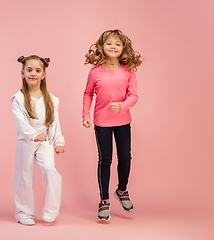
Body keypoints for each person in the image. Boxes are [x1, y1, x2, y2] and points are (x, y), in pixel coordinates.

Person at [82, 29, 143, 221]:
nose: (113, 47)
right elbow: (87, 93)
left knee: (125, 158)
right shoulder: (95, 72)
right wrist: (86, 114)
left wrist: (123, 106)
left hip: (123, 122)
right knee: (105, 160)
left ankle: (122, 190)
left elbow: (134, 95)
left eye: (117, 44)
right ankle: (104, 200)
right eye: (109, 43)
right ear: (102, 47)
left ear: (123, 48)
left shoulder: (128, 71)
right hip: (102, 123)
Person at [12, 55, 65, 225]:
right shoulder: (18, 99)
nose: (33, 73)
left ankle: (51, 210)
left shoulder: (51, 99)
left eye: (37, 70)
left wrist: (58, 141)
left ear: (43, 74)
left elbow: (55, 123)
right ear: (22, 73)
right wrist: (33, 135)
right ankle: (24, 213)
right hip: (26, 141)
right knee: (24, 176)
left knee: (49, 169)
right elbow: (21, 123)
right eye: (29, 70)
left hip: (45, 141)